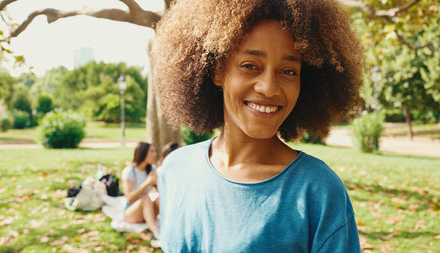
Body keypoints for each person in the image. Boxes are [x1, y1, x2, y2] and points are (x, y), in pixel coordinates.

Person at [154, 0, 364, 252]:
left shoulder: (317, 191)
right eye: (250, 66)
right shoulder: (175, 169)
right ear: (217, 70)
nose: (268, 87)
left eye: (288, 71)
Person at [121, 142, 160, 247]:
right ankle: (155, 233)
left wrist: (157, 184)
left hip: (147, 211)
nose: (154, 154)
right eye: (151, 151)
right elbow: (129, 198)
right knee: (146, 198)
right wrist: (147, 183)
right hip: (132, 212)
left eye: (154, 151)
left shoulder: (152, 169)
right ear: (142, 153)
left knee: (159, 198)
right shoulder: (129, 171)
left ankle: (173, 226)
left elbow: (159, 191)